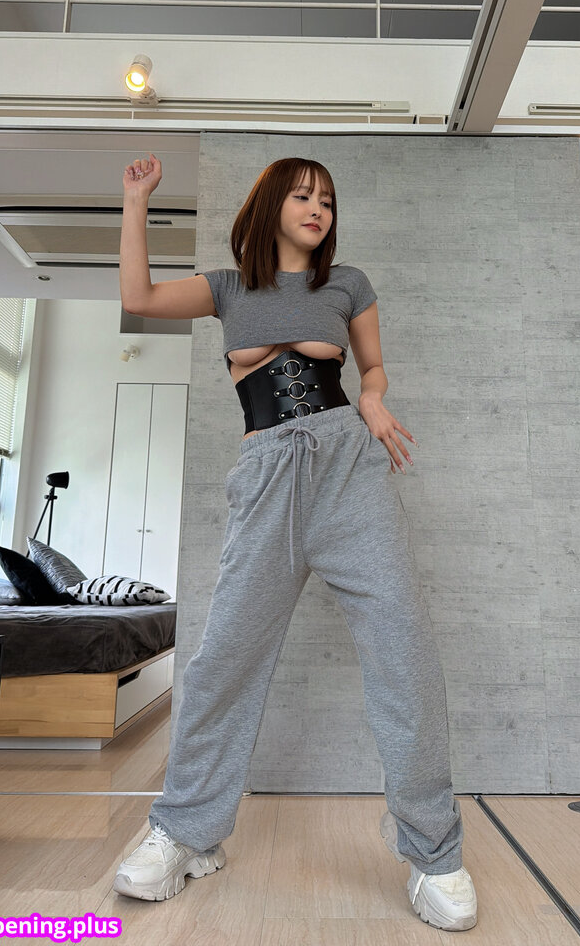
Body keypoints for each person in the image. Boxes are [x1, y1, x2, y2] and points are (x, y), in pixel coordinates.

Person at [113, 153, 477, 932]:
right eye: (304, 195)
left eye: (328, 200)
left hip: (348, 468)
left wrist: (373, 399)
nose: (318, 209)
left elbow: (372, 368)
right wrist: (137, 201)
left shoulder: (346, 286)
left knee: (404, 650)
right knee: (223, 659)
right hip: (267, 473)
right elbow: (137, 298)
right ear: (272, 202)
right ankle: (185, 833)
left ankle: (434, 854)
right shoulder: (226, 287)